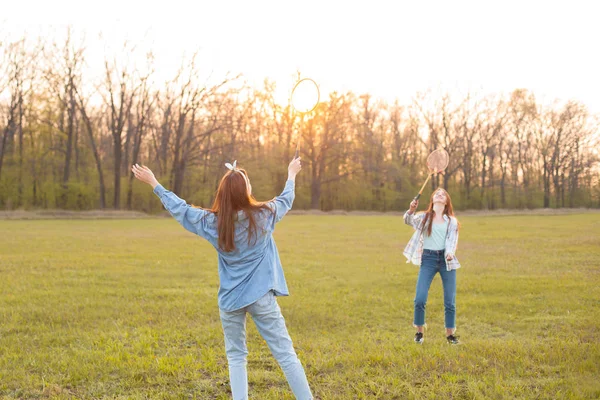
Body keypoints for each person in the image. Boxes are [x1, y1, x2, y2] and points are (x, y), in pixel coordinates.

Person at [132, 158, 313, 399]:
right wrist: (291, 174)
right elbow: (286, 199)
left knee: (236, 356)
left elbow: (181, 209)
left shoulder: (212, 222)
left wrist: (154, 183)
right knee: (286, 355)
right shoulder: (264, 214)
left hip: (230, 301)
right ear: (245, 190)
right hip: (261, 299)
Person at [403, 188, 461, 345]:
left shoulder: (452, 221)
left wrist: (449, 253)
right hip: (428, 259)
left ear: (447, 201)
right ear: (433, 199)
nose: (440, 194)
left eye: (443, 194)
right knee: (420, 298)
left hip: (446, 260)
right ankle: (419, 333)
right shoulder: (424, 217)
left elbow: (452, 240)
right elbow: (408, 220)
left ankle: (450, 335)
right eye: (437, 193)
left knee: (450, 301)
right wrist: (411, 210)